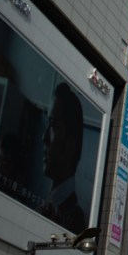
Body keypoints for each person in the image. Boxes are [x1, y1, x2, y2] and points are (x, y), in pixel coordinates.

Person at [42, 82, 86, 234]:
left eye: (53, 125)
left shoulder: (74, 219)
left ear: (71, 144)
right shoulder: (50, 202)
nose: (44, 137)